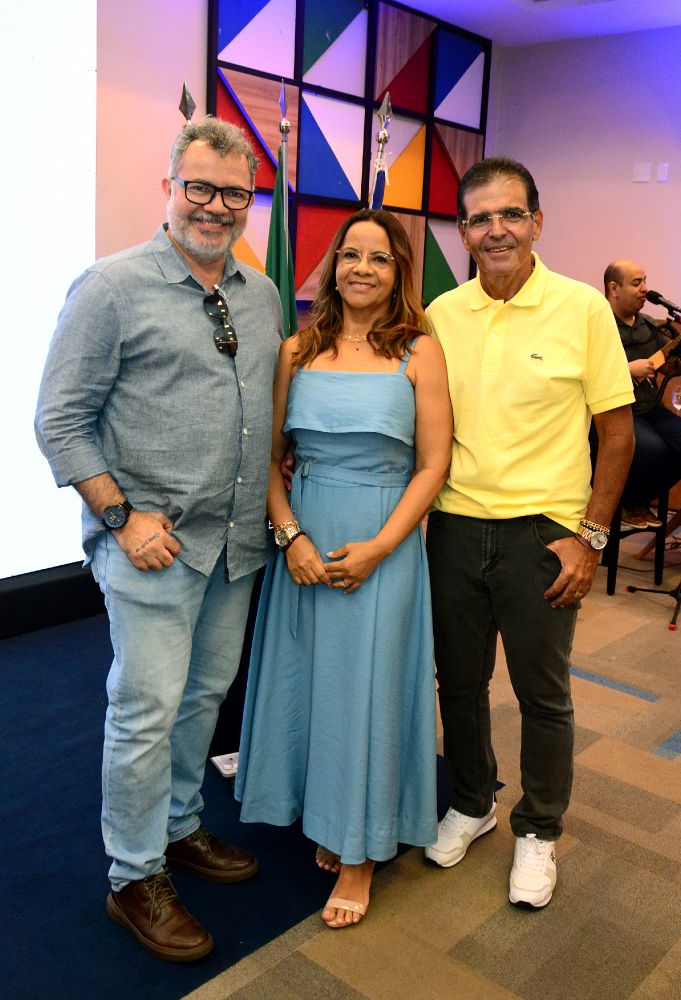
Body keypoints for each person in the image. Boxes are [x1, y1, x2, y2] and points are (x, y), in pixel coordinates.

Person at [35, 117, 283, 961]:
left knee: (202, 700)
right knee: (144, 713)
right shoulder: (110, 287)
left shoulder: (261, 293)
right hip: (152, 548)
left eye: (233, 193)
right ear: (169, 186)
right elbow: (59, 420)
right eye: (199, 187)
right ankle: (133, 876)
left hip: (235, 547)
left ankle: (179, 826)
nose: (215, 206)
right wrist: (121, 517)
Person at [425, 157, 634, 908]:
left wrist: (591, 538)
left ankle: (539, 828)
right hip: (454, 527)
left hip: (542, 535)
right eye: (480, 218)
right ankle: (472, 801)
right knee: (459, 683)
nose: (497, 230)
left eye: (511, 214)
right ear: (463, 232)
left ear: (537, 222)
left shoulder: (582, 309)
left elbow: (617, 435)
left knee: (541, 694)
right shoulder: (442, 314)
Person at [234, 209, 453, 928]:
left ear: (398, 273)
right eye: (351, 254)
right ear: (332, 265)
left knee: (368, 691)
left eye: (379, 258)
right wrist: (290, 536)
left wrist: (382, 546)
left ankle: (359, 852)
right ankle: (326, 815)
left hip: (383, 543)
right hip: (304, 540)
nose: (362, 268)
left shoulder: (420, 350)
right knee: (312, 687)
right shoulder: (296, 349)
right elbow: (269, 459)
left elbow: (433, 465)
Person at [604, 259, 681, 529]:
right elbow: (586, 368)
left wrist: (675, 359)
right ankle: (623, 503)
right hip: (616, 409)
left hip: (650, 407)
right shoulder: (597, 324)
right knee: (652, 449)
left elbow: (668, 365)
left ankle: (638, 500)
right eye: (637, 283)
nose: (645, 289)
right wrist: (627, 369)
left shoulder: (649, 325)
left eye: (645, 281)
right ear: (614, 288)